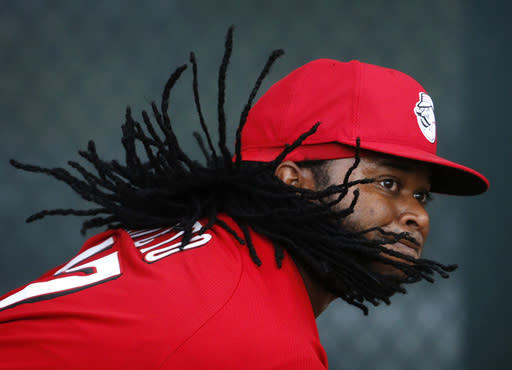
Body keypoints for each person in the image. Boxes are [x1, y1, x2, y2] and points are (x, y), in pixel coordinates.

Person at [0, 28, 488, 369]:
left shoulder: (196, 245)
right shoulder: (264, 344)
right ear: (292, 181)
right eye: (387, 184)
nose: (415, 215)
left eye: (422, 194)